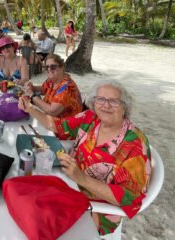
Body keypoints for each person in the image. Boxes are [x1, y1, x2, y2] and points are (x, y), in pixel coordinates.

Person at [19, 80, 152, 236]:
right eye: (100, 99)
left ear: (124, 107)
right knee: (24, 198)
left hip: (95, 208)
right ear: (94, 103)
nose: (106, 105)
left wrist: (82, 178)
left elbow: (130, 198)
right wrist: (29, 108)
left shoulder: (135, 144)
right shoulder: (90, 118)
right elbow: (57, 126)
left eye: (114, 101)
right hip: (67, 183)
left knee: (35, 224)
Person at [21, 54, 82, 118]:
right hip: (50, 117)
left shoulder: (66, 88)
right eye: (47, 67)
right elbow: (44, 89)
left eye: (53, 67)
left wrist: (32, 95)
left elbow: (52, 111)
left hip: (67, 123)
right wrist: (33, 87)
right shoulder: (53, 79)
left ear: (62, 67)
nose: (49, 69)